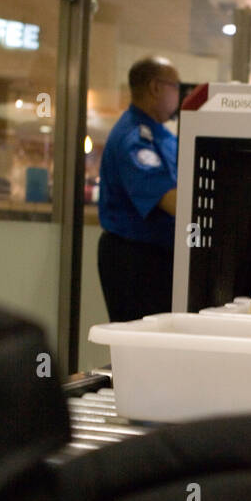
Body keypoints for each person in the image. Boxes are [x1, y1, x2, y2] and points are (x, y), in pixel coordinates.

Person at [97, 56, 181, 321]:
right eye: (176, 87)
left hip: (157, 256)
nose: (179, 95)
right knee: (138, 339)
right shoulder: (134, 138)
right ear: (156, 88)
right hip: (135, 258)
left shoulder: (161, 134)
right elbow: (171, 201)